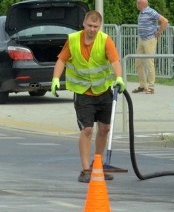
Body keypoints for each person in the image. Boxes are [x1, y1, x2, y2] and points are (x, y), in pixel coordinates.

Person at [50, 10, 125, 183]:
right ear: (84, 23)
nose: (92, 29)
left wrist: (119, 77)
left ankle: (97, 165)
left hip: (104, 91)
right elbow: (61, 60)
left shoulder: (105, 40)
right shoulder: (73, 39)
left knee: (105, 129)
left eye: (96, 26)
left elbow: (114, 61)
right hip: (83, 92)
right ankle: (85, 169)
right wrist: (55, 79)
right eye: (90, 26)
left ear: (100, 26)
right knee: (87, 130)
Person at [133, 0, 169, 94]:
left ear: (141, 4)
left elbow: (165, 21)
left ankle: (151, 86)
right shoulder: (142, 12)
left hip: (150, 39)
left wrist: (159, 32)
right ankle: (142, 85)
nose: (136, 5)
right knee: (138, 62)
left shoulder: (151, 12)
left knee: (149, 62)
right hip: (142, 39)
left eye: (137, 3)